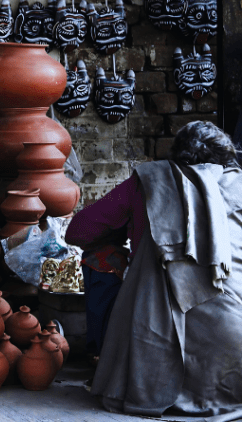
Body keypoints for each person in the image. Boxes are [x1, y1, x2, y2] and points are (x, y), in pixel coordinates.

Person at [67, 120, 242, 417]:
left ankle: (101, 355)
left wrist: (129, 234)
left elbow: (78, 233)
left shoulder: (147, 180)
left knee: (103, 255)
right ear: (225, 157)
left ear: (176, 154)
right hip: (235, 350)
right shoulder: (238, 183)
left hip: (155, 348)